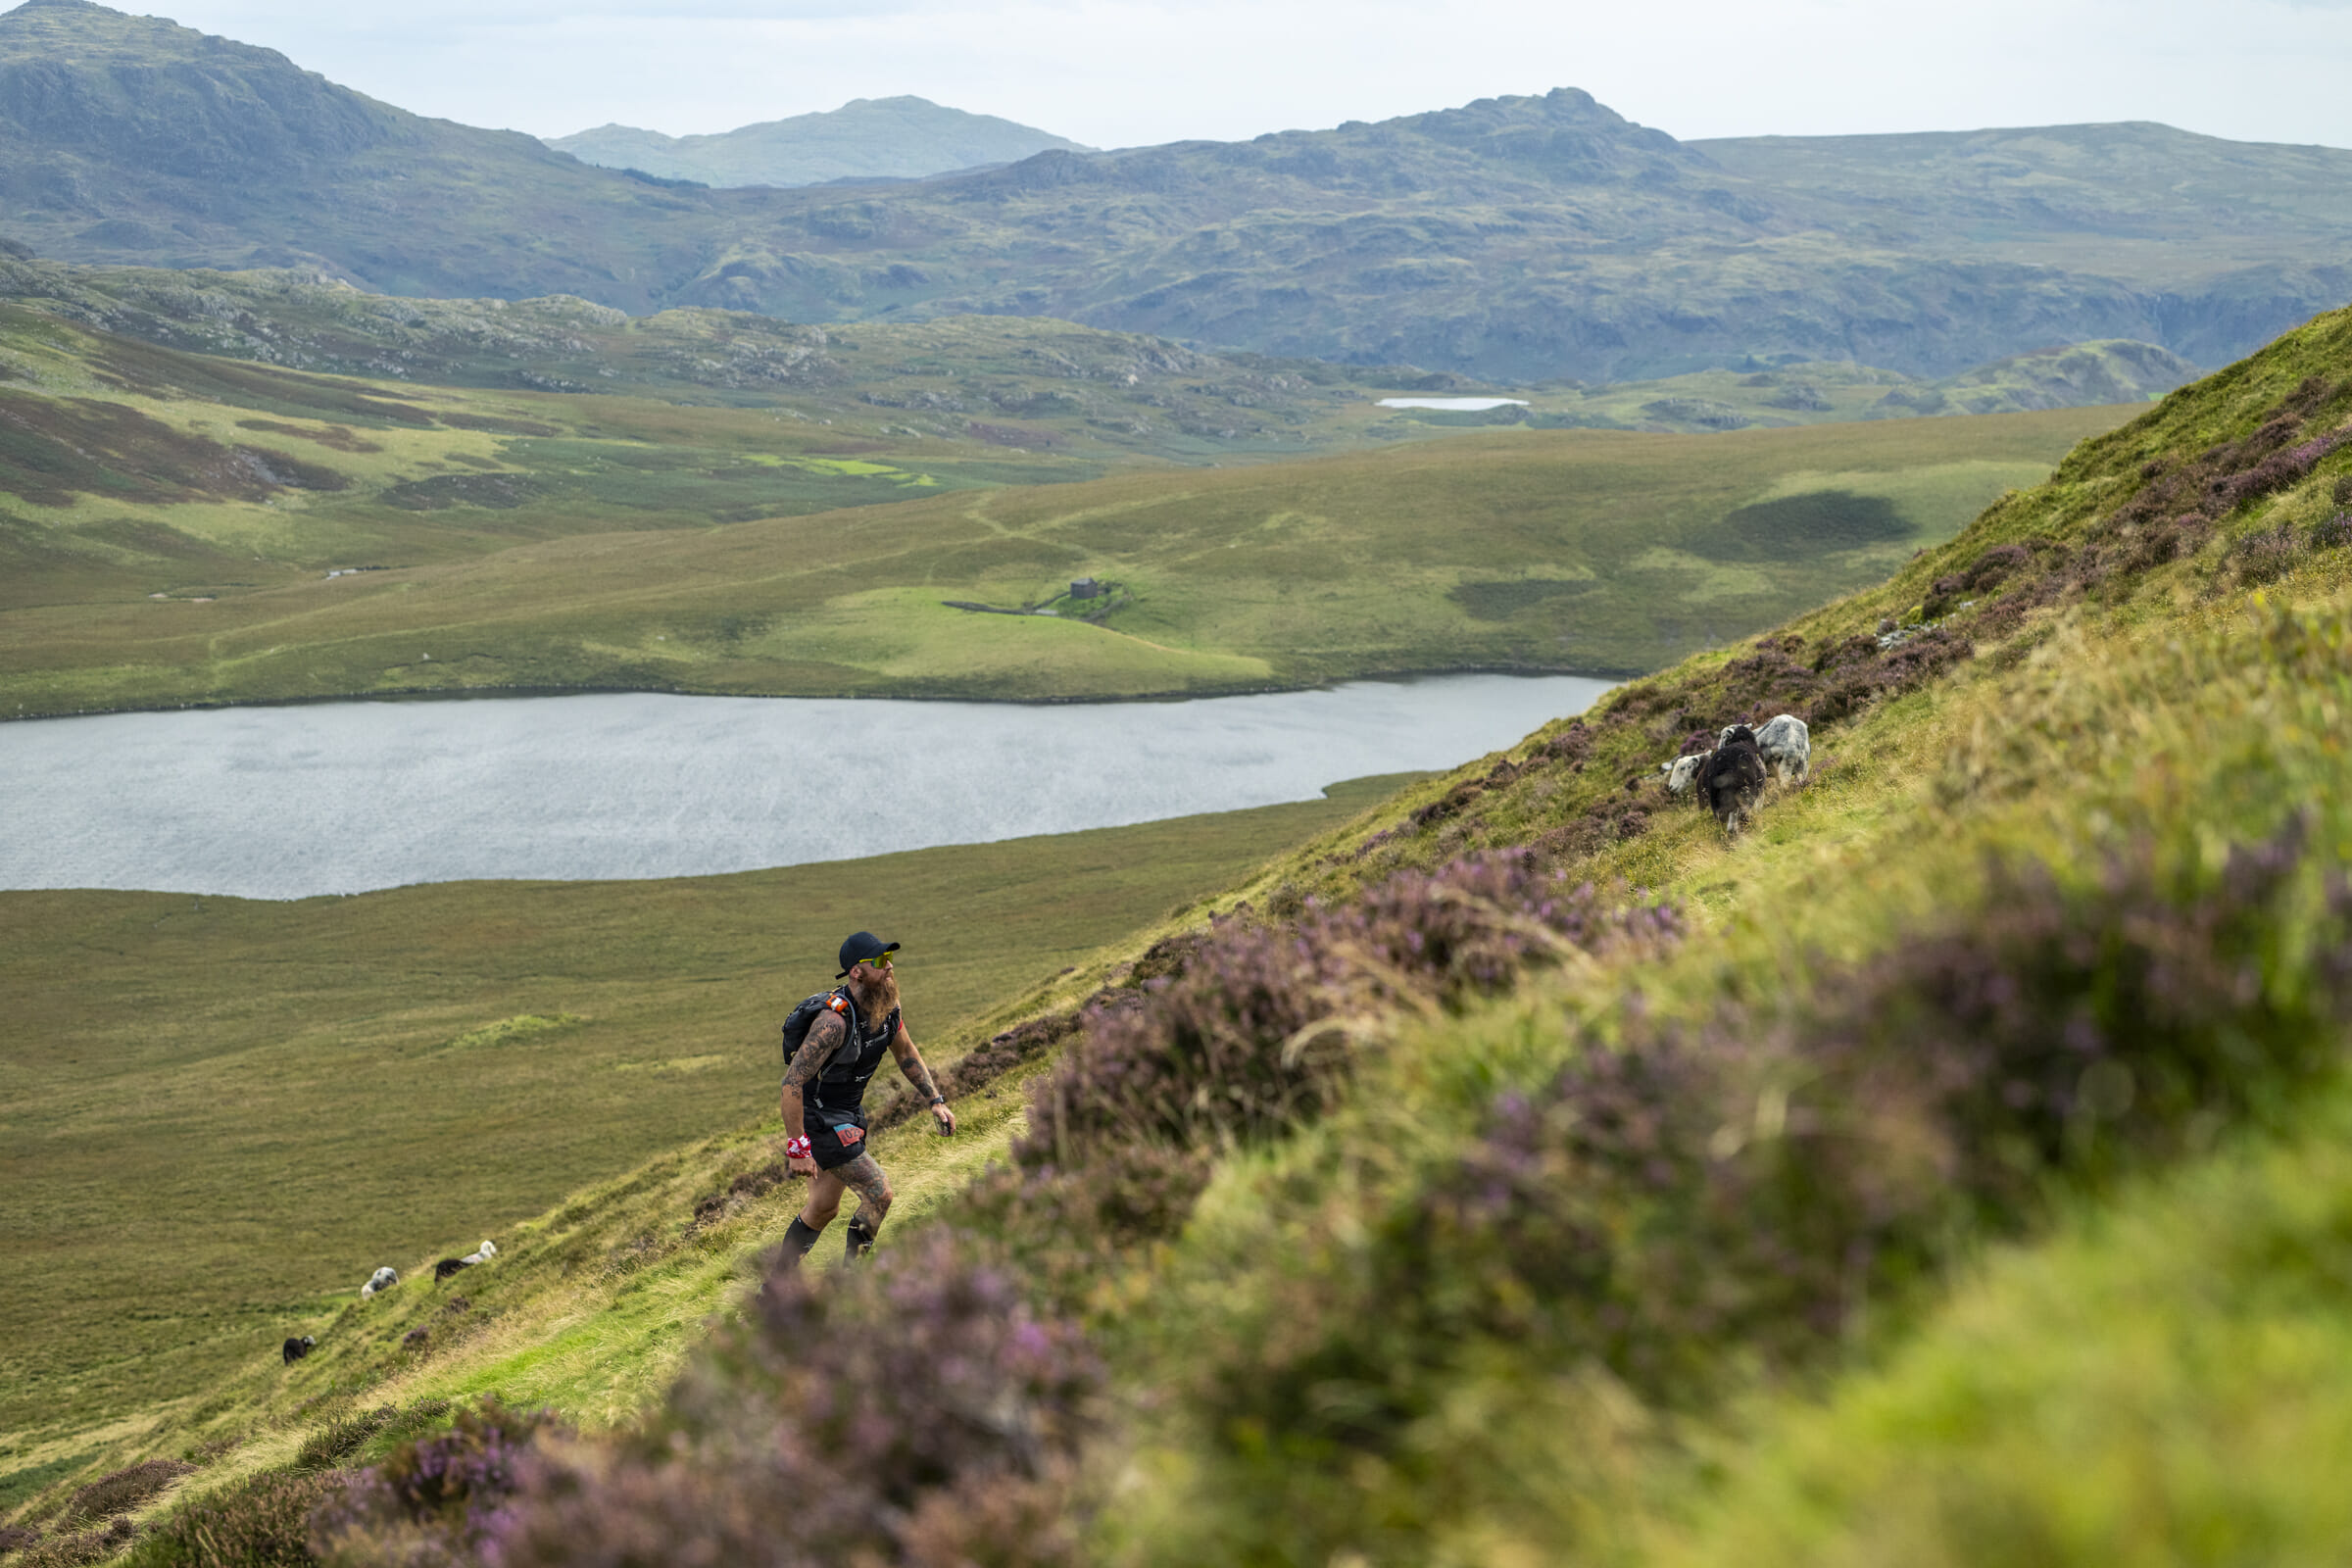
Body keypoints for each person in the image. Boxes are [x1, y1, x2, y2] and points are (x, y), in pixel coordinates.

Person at [778, 931, 956, 1264]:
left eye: (889, 959)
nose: (889, 968)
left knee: (822, 1209)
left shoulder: (887, 1008)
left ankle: (774, 1290)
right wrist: (797, 1146)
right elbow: (792, 1083)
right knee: (879, 1194)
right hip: (820, 1118)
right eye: (879, 962)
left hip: (849, 1113)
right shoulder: (832, 1023)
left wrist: (935, 1100)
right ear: (856, 972)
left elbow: (905, 1051)